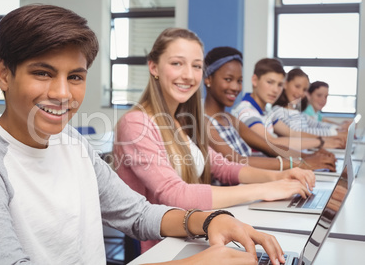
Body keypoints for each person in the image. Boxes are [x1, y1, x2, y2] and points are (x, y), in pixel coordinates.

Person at [0, 5, 288, 265]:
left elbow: (138, 213)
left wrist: (209, 221)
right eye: (42, 73)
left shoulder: (72, 143)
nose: (62, 93)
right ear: (4, 74)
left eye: (75, 77)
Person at [113, 28, 315, 253]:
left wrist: (279, 176)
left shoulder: (183, 120)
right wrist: (265, 189)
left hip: (193, 233)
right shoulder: (136, 124)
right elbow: (175, 194)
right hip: (159, 248)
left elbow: (222, 166)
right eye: (177, 63)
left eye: (196, 65)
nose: (189, 75)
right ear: (154, 67)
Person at [203, 47, 336, 171]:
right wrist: (301, 162)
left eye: (239, 81)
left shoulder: (229, 118)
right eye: (228, 79)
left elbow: (269, 146)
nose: (235, 87)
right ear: (208, 79)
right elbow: (236, 161)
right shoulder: (205, 121)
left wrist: (306, 157)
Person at [231, 58, 345, 151]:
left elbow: (293, 133)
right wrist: (320, 142)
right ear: (255, 80)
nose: (275, 90)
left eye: (280, 84)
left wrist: (326, 140)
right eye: (270, 82)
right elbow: (271, 142)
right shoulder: (246, 111)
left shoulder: (266, 111)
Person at [271, 68, 347, 138]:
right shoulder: (278, 111)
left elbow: (317, 124)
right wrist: (335, 133)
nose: (301, 93)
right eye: (297, 86)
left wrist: (338, 128)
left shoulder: (297, 112)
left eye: (304, 90)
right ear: (285, 84)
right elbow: (300, 132)